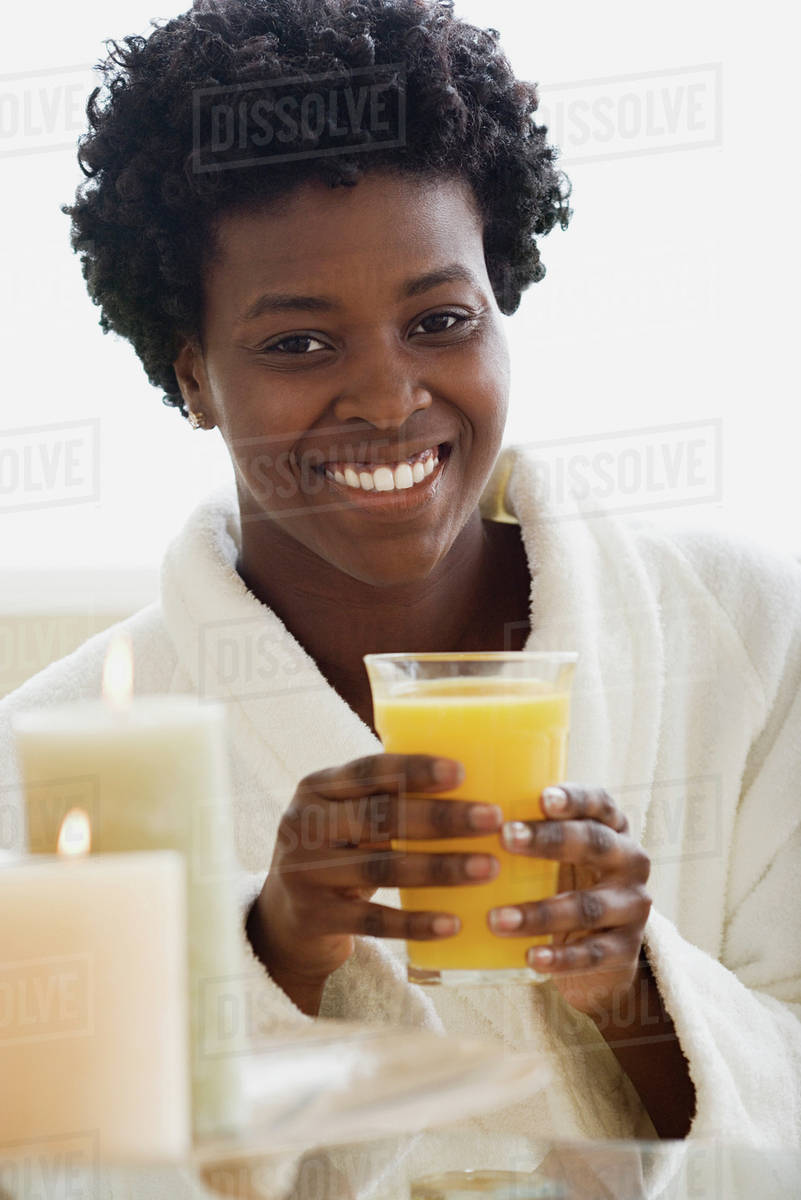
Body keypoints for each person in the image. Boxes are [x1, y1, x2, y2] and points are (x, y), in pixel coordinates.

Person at [1, 0, 799, 1147]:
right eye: (297, 344)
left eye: (440, 319)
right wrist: (275, 959)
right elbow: (58, 1164)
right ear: (193, 376)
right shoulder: (52, 760)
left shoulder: (753, 641)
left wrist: (635, 995)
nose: (386, 396)